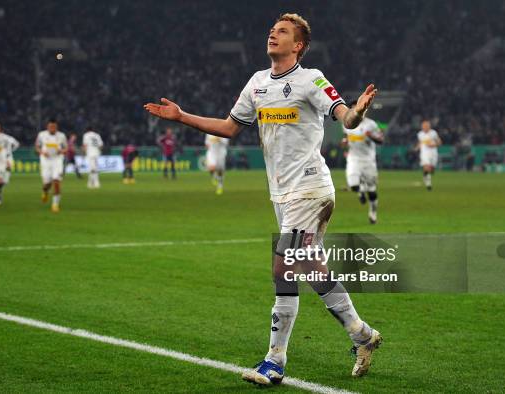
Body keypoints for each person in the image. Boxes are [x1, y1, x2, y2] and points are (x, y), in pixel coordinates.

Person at [144, 13, 382, 385]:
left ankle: (275, 361)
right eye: (272, 30)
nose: (273, 34)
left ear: (298, 45)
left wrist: (358, 110)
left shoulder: (311, 78)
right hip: (282, 194)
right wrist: (181, 116)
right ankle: (363, 335)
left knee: (283, 267)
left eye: (282, 31)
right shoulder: (256, 83)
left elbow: (344, 118)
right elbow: (228, 127)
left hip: (311, 189)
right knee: (311, 270)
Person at [341, 101, 383, 223]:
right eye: (354, 109)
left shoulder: (371, 125)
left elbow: (381, 140)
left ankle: (373, 212)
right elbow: (345, 139)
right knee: (353, 185)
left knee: (372, 190)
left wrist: (371, 136)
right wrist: (344, 144)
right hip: (353, 159)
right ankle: (360, 190)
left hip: (368, 160)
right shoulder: (346, 124)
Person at [35, 119, 67, 212]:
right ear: (47, 127)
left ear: (56, 127)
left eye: (54, 127)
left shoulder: (62, 136)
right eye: (50, 127)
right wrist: (41, 152)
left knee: (56, 181)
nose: (52, 128)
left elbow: (66, 148)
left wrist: (61, 151)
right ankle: (45, 191)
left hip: (57, 160)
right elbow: (37, 147)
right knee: (47, 184)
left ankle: (55, 204)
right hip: (46, 161)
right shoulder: (41, 135)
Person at [415, 120, 442, 190]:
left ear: (429, 126)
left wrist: (434, 145)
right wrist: (416, 148)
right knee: (427, 166)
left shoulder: (434, 133)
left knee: (432, 169)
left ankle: (425, 175)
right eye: (423, 126)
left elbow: (439, 142)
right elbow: (420, 142)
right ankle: (428, 184)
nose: (425, 127)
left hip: (433, 152)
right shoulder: (420, 134)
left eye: (426, 126)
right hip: (424, 152)